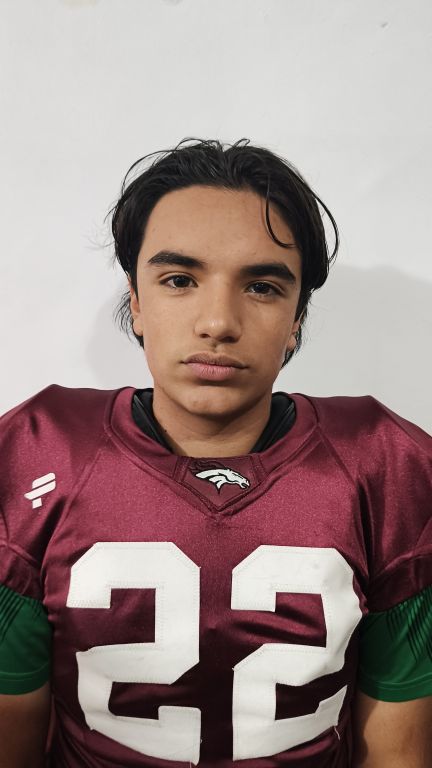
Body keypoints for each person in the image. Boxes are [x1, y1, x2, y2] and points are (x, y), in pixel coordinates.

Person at [0, 137, 431, 768]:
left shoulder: (385, 463)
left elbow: (399, 744)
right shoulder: (39, 450)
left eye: (262, 286)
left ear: (297, 317)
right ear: (136, 301)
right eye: (180, 280)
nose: (218, 323)